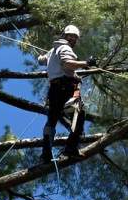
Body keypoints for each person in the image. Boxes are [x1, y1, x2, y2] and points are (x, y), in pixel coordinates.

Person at [38, 24, 96, 162]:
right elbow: (67, 64)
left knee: (51, 121)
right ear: (64, 36)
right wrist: (86, 63)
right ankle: (70, 149)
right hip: (65, 88)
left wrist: (41, 57)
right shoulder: (64, 48)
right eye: (71, 36)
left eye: (75, 38)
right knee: (79, 116)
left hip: (54, 90)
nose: (73, 40)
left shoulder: (53, 50)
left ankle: (46, 154)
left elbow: (41, 61)